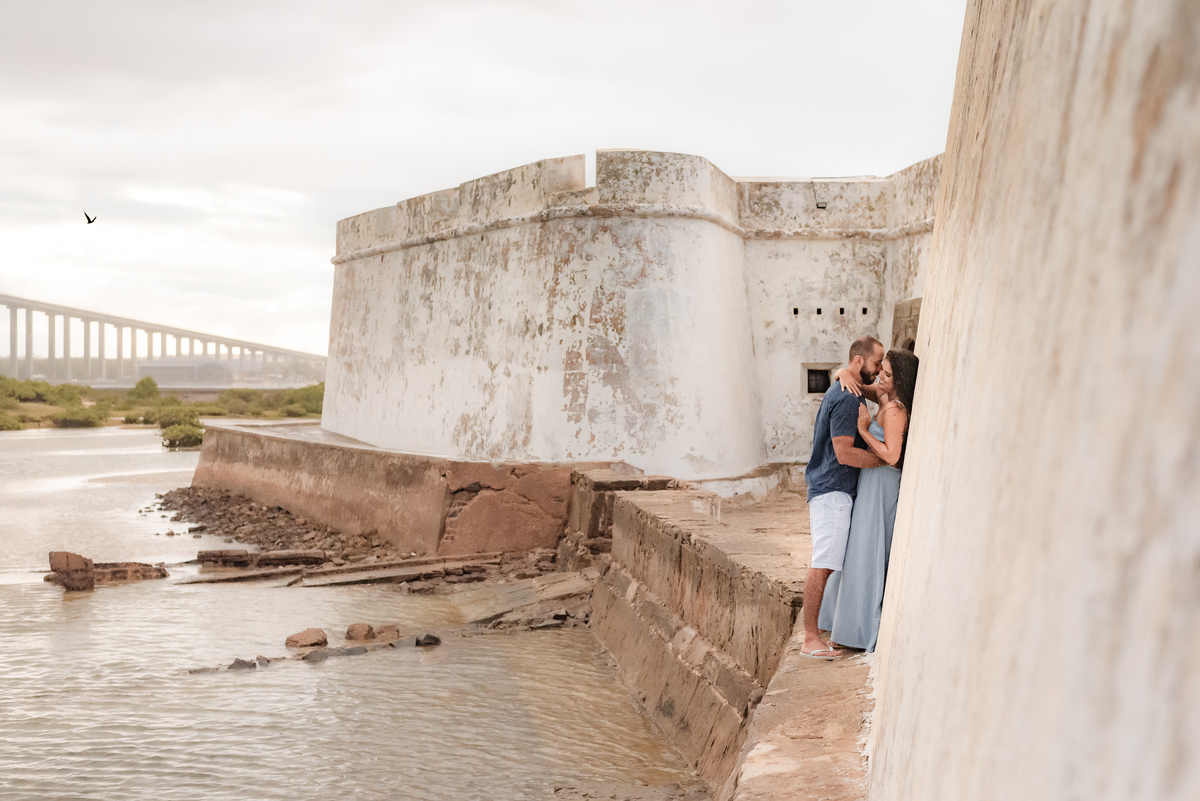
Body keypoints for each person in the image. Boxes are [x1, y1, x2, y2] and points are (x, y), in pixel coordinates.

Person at [818, 348, 920, 652]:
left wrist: (863, 430)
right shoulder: (886, 395)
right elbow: (858, 385)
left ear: (898, 379)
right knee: (858, 548)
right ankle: (844, 621)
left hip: (883, 485)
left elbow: (891, 455)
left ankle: (858, 628)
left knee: (868, 549)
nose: (880, 376)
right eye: (881, 370)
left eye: (887, 374)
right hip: (872, 483)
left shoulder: (895, 409)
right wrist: (843, 373)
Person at [800, 336, 886, 659]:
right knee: (822, 564)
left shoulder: (848, 388)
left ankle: (816, 631)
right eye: (877, 363)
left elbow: (878, 390)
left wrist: (840, 371)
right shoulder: (848, 398)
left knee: (827, 562)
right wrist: (883, 459)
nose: (879, 371)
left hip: (829, 490)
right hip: (831, 491)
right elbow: (844, 452)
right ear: (860, 362)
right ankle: (810, 638)